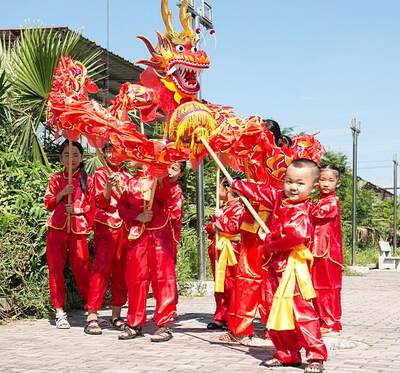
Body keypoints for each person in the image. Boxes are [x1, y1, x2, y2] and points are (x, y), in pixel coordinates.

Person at [230, 159, 327, 373]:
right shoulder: (278, 198)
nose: (293, 187)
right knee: (273, 308)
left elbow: (297, 235)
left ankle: (315, 356)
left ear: (313, 186)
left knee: (301, 311)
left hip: (293, 265)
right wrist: (239, 185)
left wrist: (270, 244)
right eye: (289, 181)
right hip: (273, 264)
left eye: (300, 183)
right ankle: (286, 353)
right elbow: (261, 191)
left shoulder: (305, 208)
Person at [117, 162, 185, 342]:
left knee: (163, 278)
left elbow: (166, 197)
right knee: (135, 279)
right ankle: (134, 323)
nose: (132, 158)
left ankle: (164, 324)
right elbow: (122, 206)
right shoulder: (131, 183)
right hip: (138, 234)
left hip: (160, 235)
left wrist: (160, 178)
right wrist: (137, 216)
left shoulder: (161, 180)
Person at [44, 140, 94, 329]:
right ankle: (59, 311)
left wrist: (78, 209)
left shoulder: (87, 180)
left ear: (81, 158)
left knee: (82, 267)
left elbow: (94, 206)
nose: (71, 159)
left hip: (78, 229)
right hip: (57, 229)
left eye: (75, 155)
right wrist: (63, 193)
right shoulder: (56, 179)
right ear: (60, 158)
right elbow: (48, 203)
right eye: (66, 155)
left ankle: (91, 311)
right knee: (55, 269)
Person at [84, 143, 132, 335]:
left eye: (117, 150)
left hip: (125, 227)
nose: (112, 154)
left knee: (122, 270)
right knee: (100, 269)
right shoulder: (100, 173)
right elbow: (101, 202)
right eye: (109, 150)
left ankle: (116, 314)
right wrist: (108, 187)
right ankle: (92, 314)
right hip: (106, 226)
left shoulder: (129, 177)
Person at [205, 177, 245, 330]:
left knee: (231, 284)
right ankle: (220, 316)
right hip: (219, 247)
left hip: (232, 249)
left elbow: (234, 226)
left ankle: (233, 315)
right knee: (220, 284)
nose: (218, 189)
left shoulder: (240, 207)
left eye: (221, 186)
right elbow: (209, 227)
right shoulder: (225, 207)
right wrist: (216, 223)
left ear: (228, 189)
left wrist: (219, 220)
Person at [311, 164, 344, 334]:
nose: (325, 184)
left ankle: (330, 322)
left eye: (330, 180)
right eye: (322, 179)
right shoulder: (319, 200)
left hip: (328, 252)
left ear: (337, 183)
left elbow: (315, 213)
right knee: (316, 287)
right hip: (316, 249)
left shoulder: (332, 201)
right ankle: (320, 318)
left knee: (328, 287)